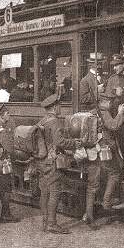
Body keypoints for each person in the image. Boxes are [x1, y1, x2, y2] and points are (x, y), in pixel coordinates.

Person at [35, 94, 81, 234]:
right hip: (52, 162)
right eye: (59, 105)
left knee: (45, 193)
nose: (60, 107)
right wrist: (75, 143)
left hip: (42, 161)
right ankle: (52, 223)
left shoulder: (43, 120)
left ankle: (45, 221)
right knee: (54, 192)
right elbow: (59, 142)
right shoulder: (54, 121)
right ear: (55, 107)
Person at [98, 94, 124, 210]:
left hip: (102, 148)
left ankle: (109, 198)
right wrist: (120, 113)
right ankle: (107, 201)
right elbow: (114, 125)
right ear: (103, 102)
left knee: (112, 170)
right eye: (109, 101)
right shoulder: (104, 113)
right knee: (115, 173)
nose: (110, 104)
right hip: (106, 148)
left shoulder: (97, 111)